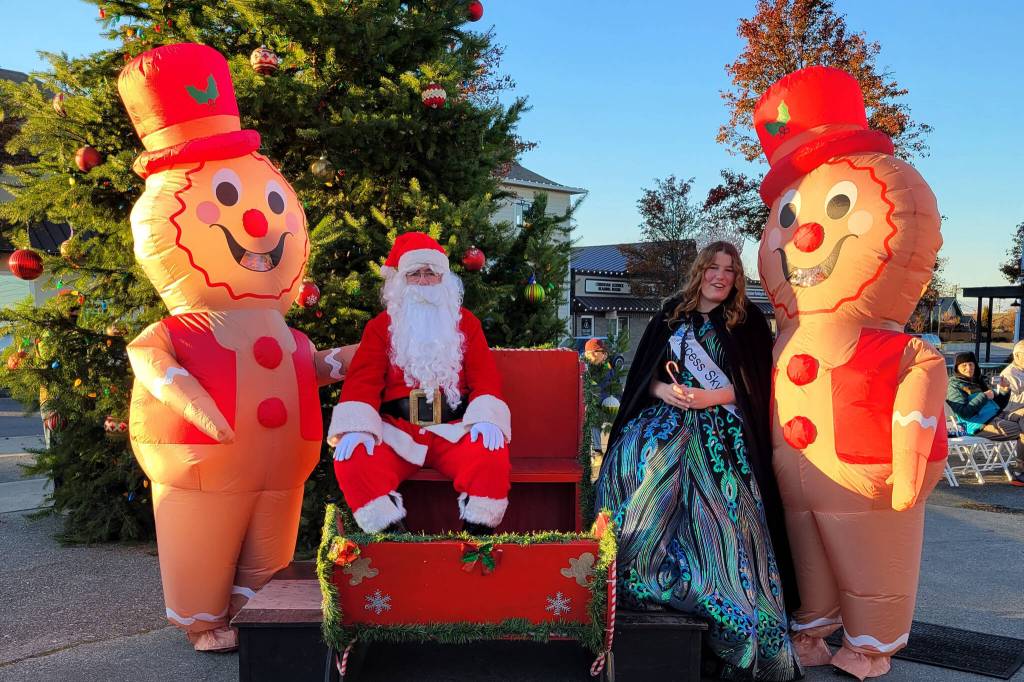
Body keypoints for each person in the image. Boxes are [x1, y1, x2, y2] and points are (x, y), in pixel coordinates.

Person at [596, 241, 801, 681]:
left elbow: (757, 385)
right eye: (713, 267)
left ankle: (723, 607)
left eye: (730, 269)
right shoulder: (671, 314)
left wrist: (712, 396)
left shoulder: (746, 322)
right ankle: (638, 582)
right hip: (667, 420)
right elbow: (643, 377)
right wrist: (662, 391)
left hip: (721, 427)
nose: (720, 276)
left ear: (737, 277)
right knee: (634, 465)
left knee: (723, 513)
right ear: (700, 271)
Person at [329, 232, 512, 534]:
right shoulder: (380, 327)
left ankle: (477, 544)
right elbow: (363, 381)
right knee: (354, 459)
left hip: (453, 431)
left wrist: (486, 419)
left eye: (431, 273)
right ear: (401, 282)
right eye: (415, 274)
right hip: (398, 431)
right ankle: (393, 540)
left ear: (444, 280)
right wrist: (356, 427)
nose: (424, 281)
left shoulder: (466, 323)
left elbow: (485, 377)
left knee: (489, 455)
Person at [949, 351, 1024, 485]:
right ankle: (1019, 472)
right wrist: (983, 396)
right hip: (979, 424)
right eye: (964, 365)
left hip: (997, 416)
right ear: (957, 368)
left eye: (971, 364)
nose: (968, 368)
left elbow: (999, 405)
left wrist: (1004, 391)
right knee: (1022, 431)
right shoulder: (954, 386)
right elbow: (964, 412)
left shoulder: (978, 380)